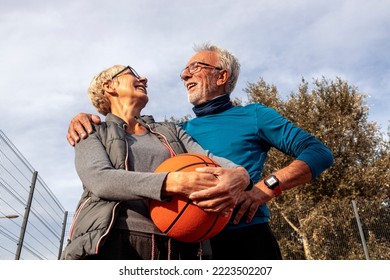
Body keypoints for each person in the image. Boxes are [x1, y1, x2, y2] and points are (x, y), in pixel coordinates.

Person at [66, 44, 334, 260]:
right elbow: (110, 171)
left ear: (221, 75)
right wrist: (85, 119)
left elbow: (318, 152)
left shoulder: (254, 115)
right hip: (188, 243)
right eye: (184, 70)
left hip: (245, 234)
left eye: (195, 67)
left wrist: (262, 188)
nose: (184, 75)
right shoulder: (175, 132)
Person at [61, 64, 250, 260]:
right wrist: (175, 182)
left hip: (178, 245)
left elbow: (208, 158)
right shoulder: (90, 129)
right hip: (113, 239)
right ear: (109, 86)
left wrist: (240, 174)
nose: (144, 79)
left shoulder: (171, 131)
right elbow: (100, 180)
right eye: (131, 73)